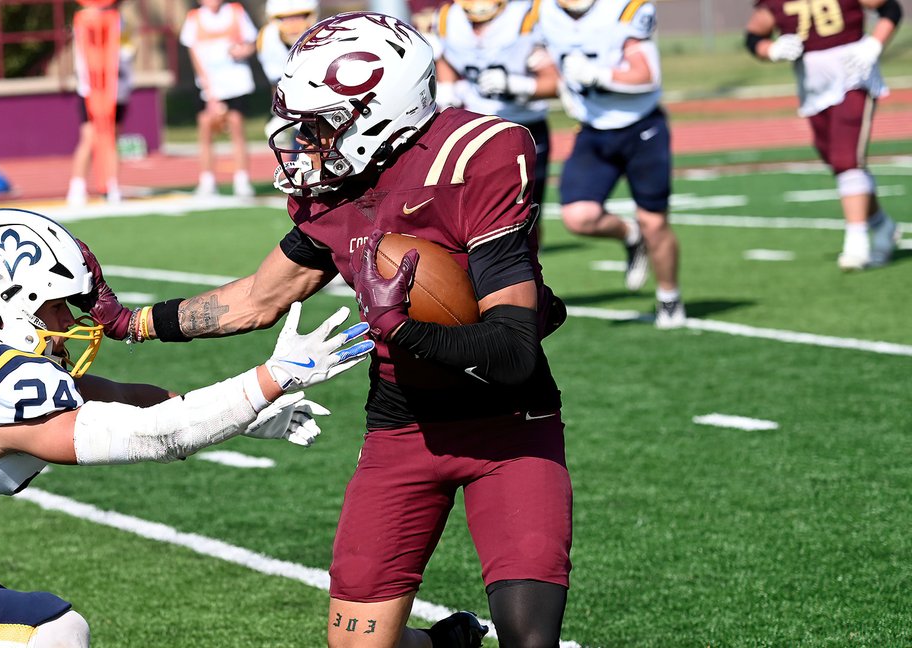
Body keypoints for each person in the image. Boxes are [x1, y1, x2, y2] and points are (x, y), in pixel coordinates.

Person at [94, 13, 573, 647]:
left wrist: (397, 327)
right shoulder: (336, 192)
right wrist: (133, 323)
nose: (303, 142)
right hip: (403, 425)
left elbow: (512, 351)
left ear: (380, 112)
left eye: (319, 125)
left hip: (508, 422)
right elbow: (255, 300)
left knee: (529, 641)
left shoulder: (473, 157)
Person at [0, 207, 373, 647]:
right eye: (55, 306)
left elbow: (124, 399)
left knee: (36, 625)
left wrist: (246, 418)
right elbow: (157, 437)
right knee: (54, 632)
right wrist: (271, 378)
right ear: (1, 304)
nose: (70, 321)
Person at [537, 0, 686, 329]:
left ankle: (669, 296)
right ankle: (630, 235)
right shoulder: (542, 12)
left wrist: (598, 75)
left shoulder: (625, 9)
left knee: (654, 222)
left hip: (641, 126)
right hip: (593, 128)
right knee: (579, 217)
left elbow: (648, 76)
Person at [745, 0, 902, 271]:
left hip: (853, 72)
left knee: (846, 159)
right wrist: (770, 50)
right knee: (836, 158)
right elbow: (754, 35)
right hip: (812, 84)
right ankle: (881, 225)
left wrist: (875, 44)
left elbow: (890, 8)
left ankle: (856, 244)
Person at [433, 0, 560, 214]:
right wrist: (448, 90)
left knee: (527, 209)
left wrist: (517, 85)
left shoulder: (524, 17)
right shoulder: (448, 17)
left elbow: (555, 82)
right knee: (474, 203)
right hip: (478, 124)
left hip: (524, 124)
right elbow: (447, 59)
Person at [179, 0, 259, 197]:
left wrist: (243, 50)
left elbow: (251, 43)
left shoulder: (235, 12)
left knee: (236, 126)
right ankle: (207, 181)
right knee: (206, 127)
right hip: (209, 87)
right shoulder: (194, 18)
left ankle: (242, 180)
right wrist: (210, 92)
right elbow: (194, 55)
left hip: (236, 84)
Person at [67, 0, 135, 207]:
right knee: (89, 137)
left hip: (116, 91)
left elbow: (127, 52)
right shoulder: (83, 20)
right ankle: (77, 187)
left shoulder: (119, 22)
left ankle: (112, 185)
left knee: (112, 137)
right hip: (91, 90)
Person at [256, 0, 318, 150]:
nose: (293, 25)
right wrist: (279, 111)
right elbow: (277, 81)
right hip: (292, 99)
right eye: (287, 19)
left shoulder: (321, 33)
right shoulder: (269, 37)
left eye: (298, 17)